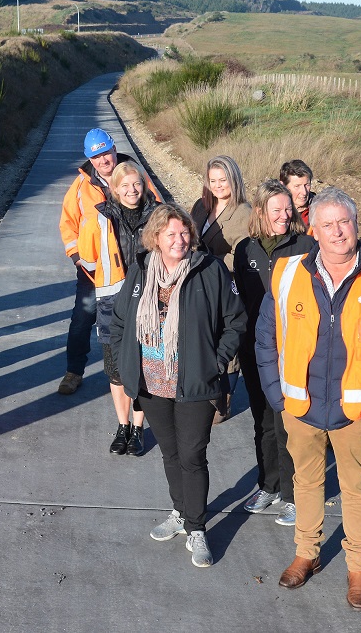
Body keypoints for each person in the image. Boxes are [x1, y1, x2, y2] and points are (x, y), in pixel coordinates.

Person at [256, 187, 361, 610]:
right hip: (301, 407)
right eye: (327, 224)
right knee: (306, 482)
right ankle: (306, 553)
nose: (337, 232)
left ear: (356, 224)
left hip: (356, 413)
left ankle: (358, 567)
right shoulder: (286, 272)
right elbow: (266, 338)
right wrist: (277, 395)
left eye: (344, 222)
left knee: (357, 489)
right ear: (313, 229)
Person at [110, 205, 246, 568]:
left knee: (192, 454)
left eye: (184, 233)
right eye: (170, 234)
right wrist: (124, 366)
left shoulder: (210, 270)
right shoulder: (141, 271)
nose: (179, 240)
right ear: (155, 237)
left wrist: (215, 363)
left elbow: (236, 321)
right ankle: (179, 511)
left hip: (194, 383)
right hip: (152, 383)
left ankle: (197, 527)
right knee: (170, 454)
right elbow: (120, 319)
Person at [231, 180, 314, 525]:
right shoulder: (244, 250)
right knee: (263, 420)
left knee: (291, 424)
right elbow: (239, 303)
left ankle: (295, 496)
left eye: (287, 209)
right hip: (255, 350)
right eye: (275, 209)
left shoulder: (306, 246)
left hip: (294, 350)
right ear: (260, 212)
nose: (284, 215)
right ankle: (269, 485)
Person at [58, 128, 158, 395]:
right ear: (90, 160)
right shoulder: (80, 187)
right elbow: (68, 224)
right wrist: (78, 258)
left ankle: (142, 373)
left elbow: (158, 213)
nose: (104, 160)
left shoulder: (134, 177)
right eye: (97, 156)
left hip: (133, 269)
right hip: (95, 274)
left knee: (140, 321)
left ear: (115, 150)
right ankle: (73, 371)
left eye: (106, 153)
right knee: (83, 319)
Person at [80, 160, 158, 456]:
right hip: (113, 302)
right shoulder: (99, 217)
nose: (132, 190)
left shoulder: (157, 216)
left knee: (144, 367)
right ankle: (122, 425)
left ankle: (138, 428)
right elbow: (87, 261)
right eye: (124, 185)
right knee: (115, 370)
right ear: (113, 189)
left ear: (144, 185)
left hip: (149, 302)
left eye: (136, 184)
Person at [189, 155, 250, 423]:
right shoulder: (201, 206)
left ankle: (223, 398)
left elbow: (245, 254)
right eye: (212, 180)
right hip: (199, 285)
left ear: (233, 179)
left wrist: (208, 259)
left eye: (223, 180)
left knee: (228, 343)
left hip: (228, 286)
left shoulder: (244, 213)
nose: (217, 185)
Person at [279, 159, 315, 228]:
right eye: (297, 186)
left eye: (307, 185)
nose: (304, 192)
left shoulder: (319, 210)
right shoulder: (275, 215)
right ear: (283, 186)